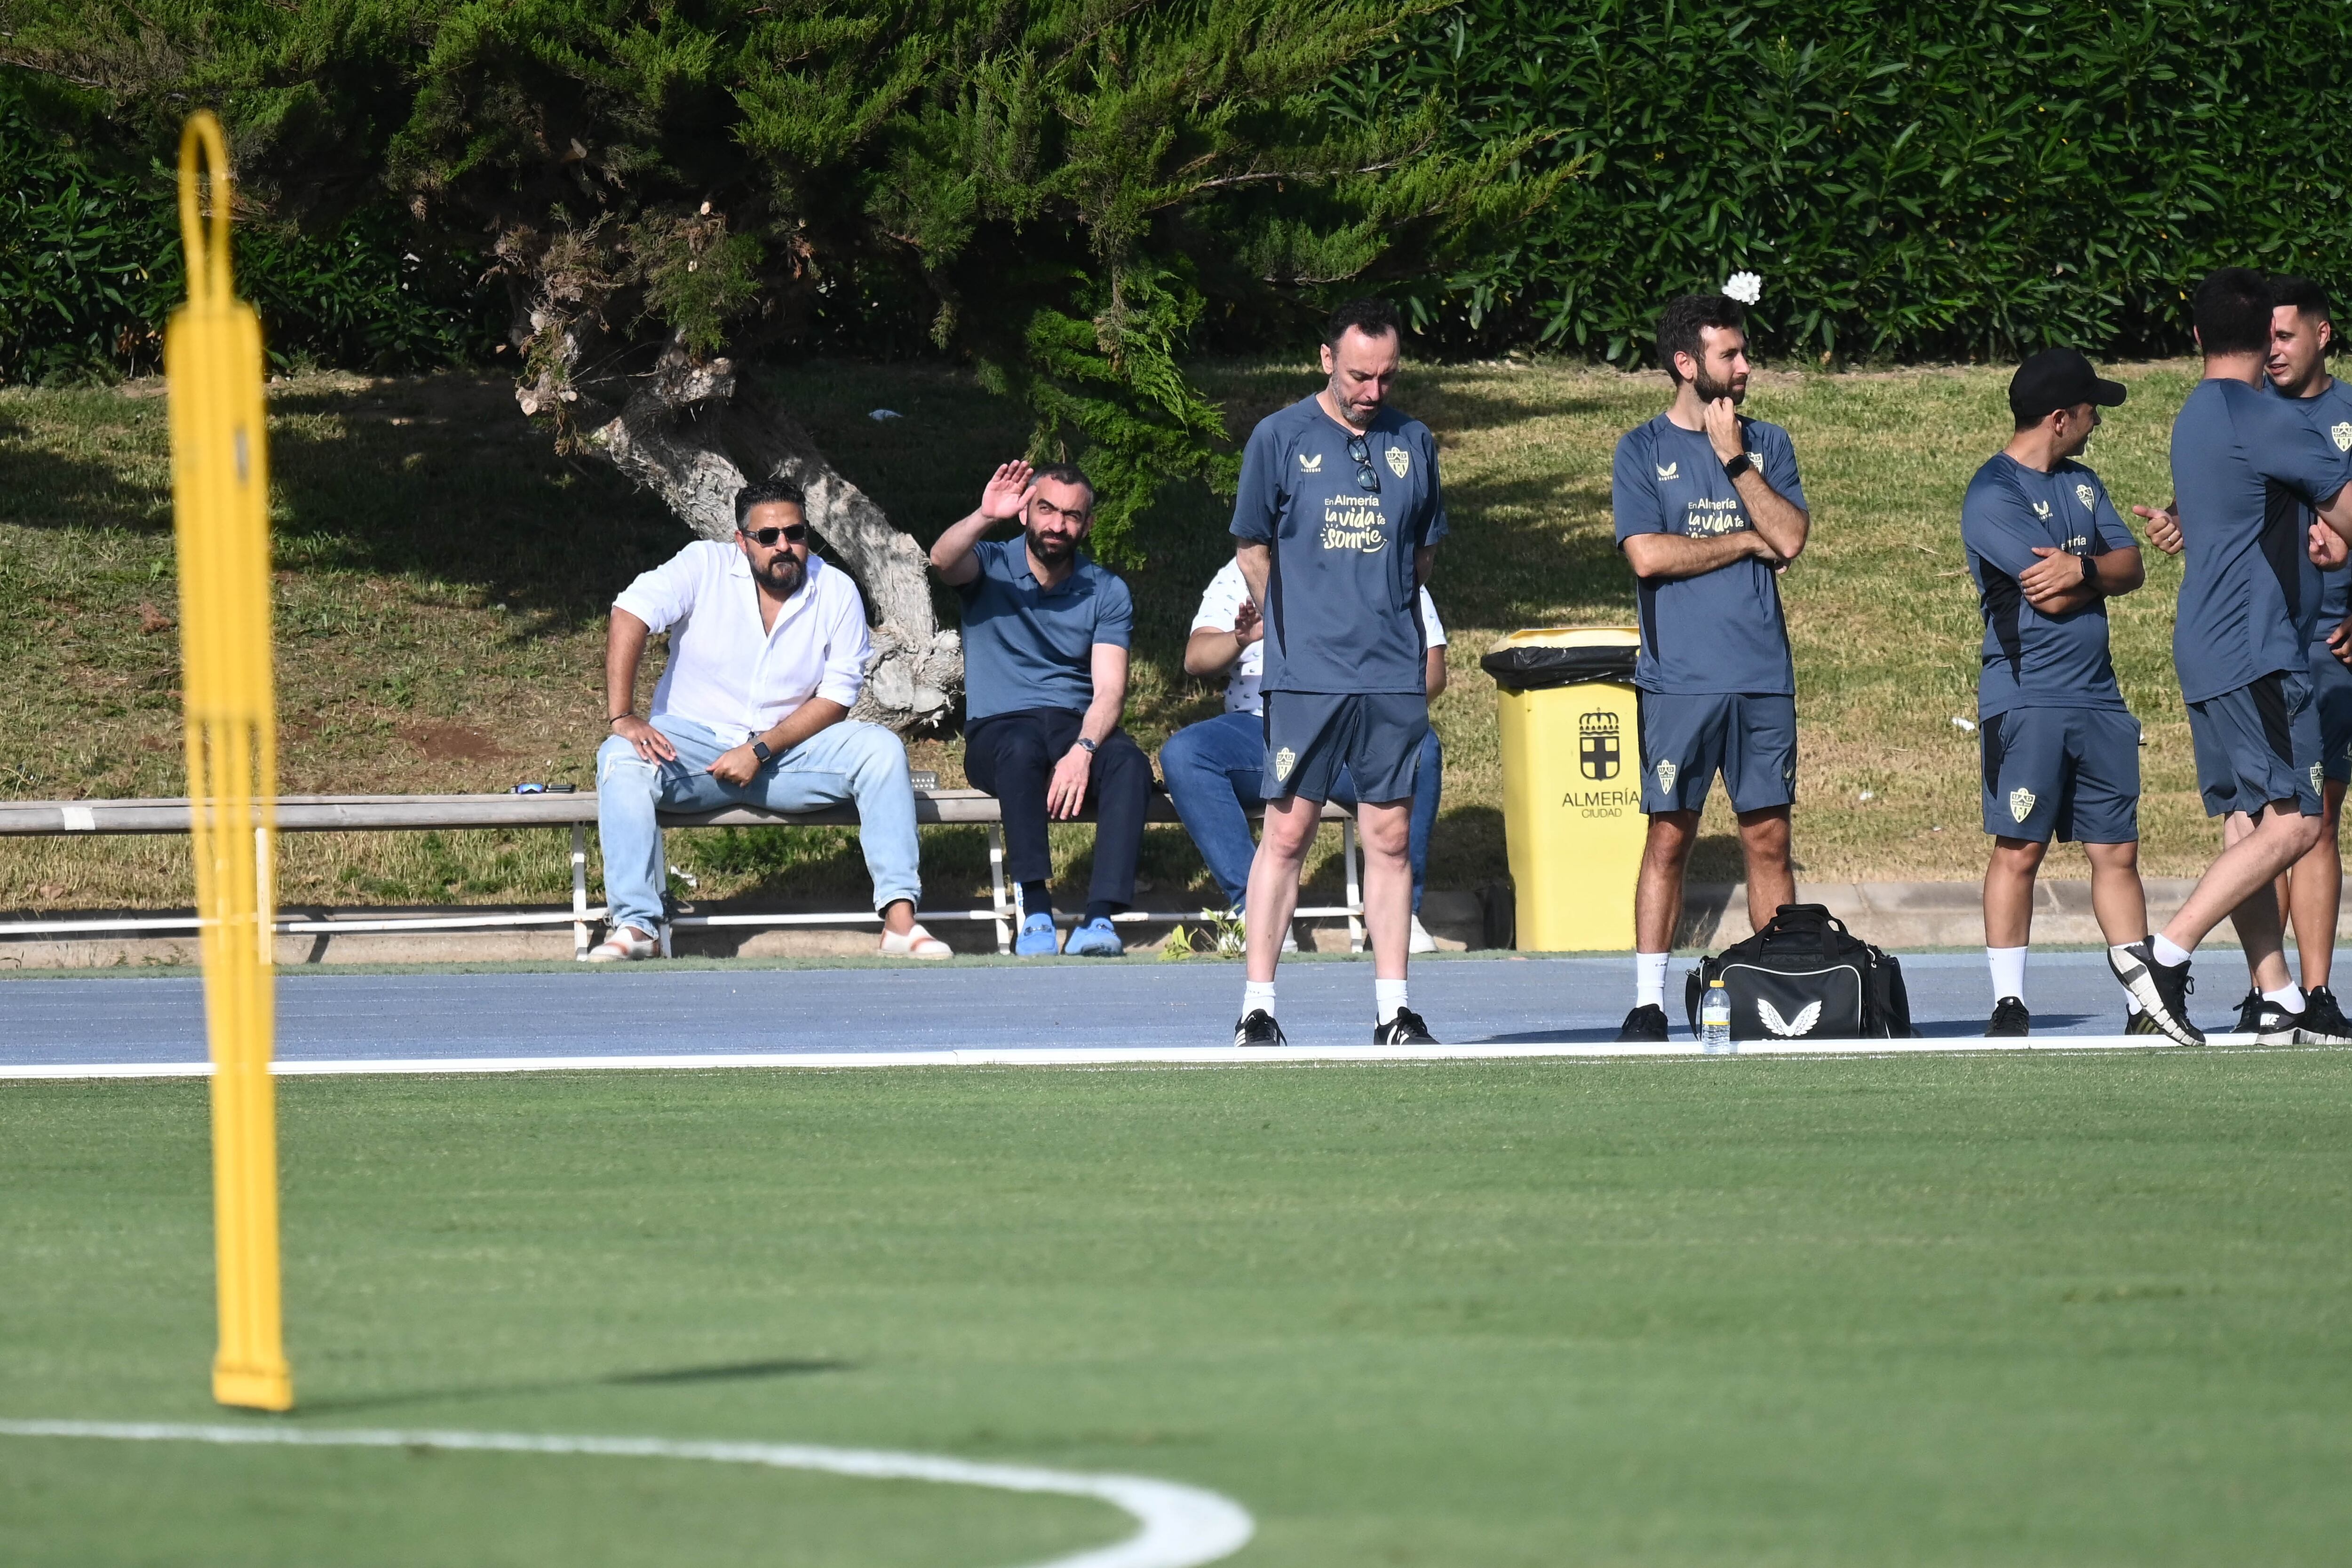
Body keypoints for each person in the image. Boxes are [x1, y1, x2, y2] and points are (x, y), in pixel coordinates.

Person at [2109, 269, 2352, 1045]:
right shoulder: (2264, 416)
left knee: (2250, 821)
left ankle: (2275, 991)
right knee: (2300, 825)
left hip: (2207, 642)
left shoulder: (2196, 413)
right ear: (2266, 337)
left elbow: (2254, 515)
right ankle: (2166, 957)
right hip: (2260, 644)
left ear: (2196, 338)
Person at [593, 477, 946, 961]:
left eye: (795, 533)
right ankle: (638, 925)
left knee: (880, 750)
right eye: (768, 536)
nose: (784, 546)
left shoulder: (837, 591)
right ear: (741, 542)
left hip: (785, 758)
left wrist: (759, 750)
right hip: (692, 751)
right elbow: (629, 611)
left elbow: (837, 699)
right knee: (620, 759)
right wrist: (623, 715)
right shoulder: (703, 565)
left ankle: (901, 923)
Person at [1227, 297, 1448, 1047]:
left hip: (1391, 673)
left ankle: (1394, 1010)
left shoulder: (1414, 441)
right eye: (1359, 375)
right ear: (1327, 360)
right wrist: (1290, 627)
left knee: (1389, 836)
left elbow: (1421, 552)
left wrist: (1390, 619)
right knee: (1287, 832)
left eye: (1386, 377)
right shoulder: (1280, 436)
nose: (1372, 390)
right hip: (1307, 675)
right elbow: (1251, 543)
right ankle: (1258, 1006)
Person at [1611, 293, 1811, 1043]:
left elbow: (1789, 537)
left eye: (1745, 351)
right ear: (1687, 364)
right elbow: (1648, 554)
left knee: (1768, 836)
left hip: (1762, 677)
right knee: (1670, 834)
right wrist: (1741, 540)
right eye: (1730, 355)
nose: (1746, 366)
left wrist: (1735, 461)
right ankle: (1648, 1000)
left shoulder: (1769, 443)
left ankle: (1782, 993)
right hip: (1680, 682)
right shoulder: (1640, 450)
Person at [1961, 349, 2152, 1036]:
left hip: (2099, 698)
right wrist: (2088, 572)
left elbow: (2131, 567)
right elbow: (2046, 598)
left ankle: (2143, 1001)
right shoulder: (1992, 493)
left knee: (2117, 852)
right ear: (2060, 417)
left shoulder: (2084, 483)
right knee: (2020, 846)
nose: (2097, 421)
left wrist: (2085, 567)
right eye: (2091, 409)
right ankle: (2009, 1002)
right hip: (2027, 699)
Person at [1160, 559, 1448, 953]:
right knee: (1185, 753)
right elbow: (1196, 658)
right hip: (1265, 730)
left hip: (1356, 730)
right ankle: (1256, 913)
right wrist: (1241, 639)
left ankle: (1401, 916)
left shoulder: (1382, 559)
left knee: (1422, 747)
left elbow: (1433, 670)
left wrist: (1374, 700)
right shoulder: (1244, 572)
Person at [929, 459, 1151, 957]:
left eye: (1072, 516)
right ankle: (1035, 909)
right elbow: (942, 562)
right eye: (1046, 510)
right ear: (1025, 511)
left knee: (1129, 763)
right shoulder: (988, 563)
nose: (1057, 525)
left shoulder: (1105, 589)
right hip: (998, 731)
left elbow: (1109, 690)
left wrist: (1084, 749)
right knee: (1020, 746)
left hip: (1072, 726)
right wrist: (986, 514)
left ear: (1087, 525)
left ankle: (1099, 918)